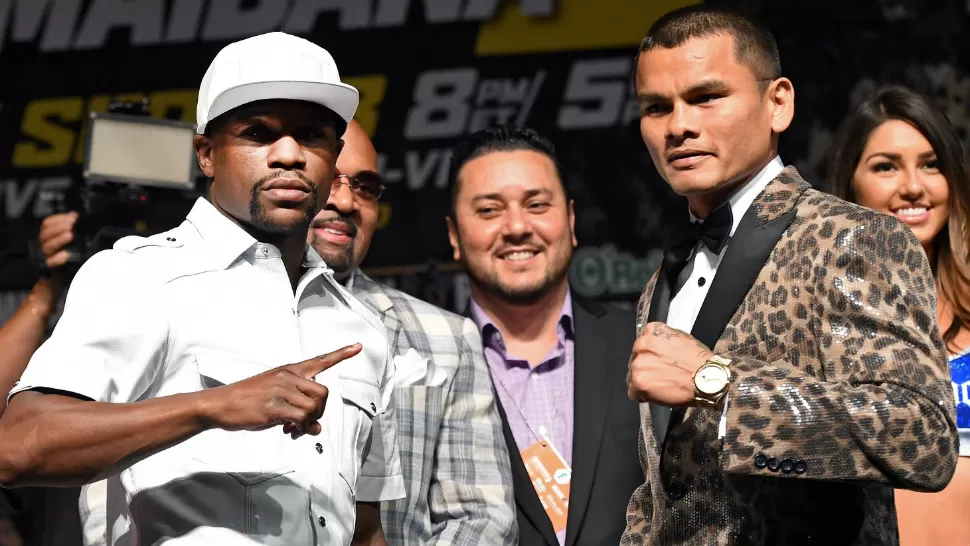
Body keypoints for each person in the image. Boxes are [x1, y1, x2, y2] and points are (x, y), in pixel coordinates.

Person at [0, 31, 404, 546]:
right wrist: (210, 406)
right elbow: (17, 446)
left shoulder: (360, 326)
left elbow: (364, 528)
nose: (288, 154)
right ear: (207, 154)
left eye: (310, 135)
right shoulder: (140, 277)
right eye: (257, 133)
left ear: (334, 155)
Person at [621, 6, 957, 545]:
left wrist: (718, 384)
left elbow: (921, 437)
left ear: (777, 103)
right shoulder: (660, 285)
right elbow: (662, 491)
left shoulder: (854, 237)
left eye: (706, 97)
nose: (679, 125)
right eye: (657, 107)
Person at [306, 119, 519, 544]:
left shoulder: (446, 338)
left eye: (365, 187)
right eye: (329, 179)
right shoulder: (205, 308)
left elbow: (482, 519)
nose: (347, 201)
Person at [445, 124, 644, 546]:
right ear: (454, 236)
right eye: (489, 211)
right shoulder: (427, 367)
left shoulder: (641, 344)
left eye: (537, 204)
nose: (517, 227)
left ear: (570, 221)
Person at [827, 84, 970, 546]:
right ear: (851, 184)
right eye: (886, 167)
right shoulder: (820, 317)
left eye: (931, 164)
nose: (913, 186)